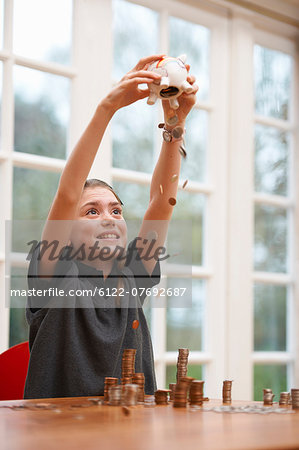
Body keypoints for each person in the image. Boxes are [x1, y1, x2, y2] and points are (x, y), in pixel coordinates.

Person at [24, 54, 198, 399]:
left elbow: (161, 202)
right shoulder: (55, 274)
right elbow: (68, 192)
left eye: (117, 211)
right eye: (91, 211)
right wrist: (109, 106)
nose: (109, 217)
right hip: (59, 438)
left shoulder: (132, 275)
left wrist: (174, 121)